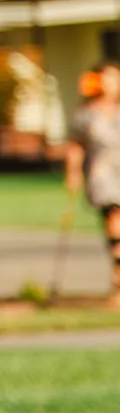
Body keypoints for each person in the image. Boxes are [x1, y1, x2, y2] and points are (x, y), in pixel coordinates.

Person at [66, 61, 120, 309]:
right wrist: (73, 173)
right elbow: (75, 146)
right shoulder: (86, 112)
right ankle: (118, 281)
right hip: (103, 176)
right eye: (107, 78)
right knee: (115, 224)